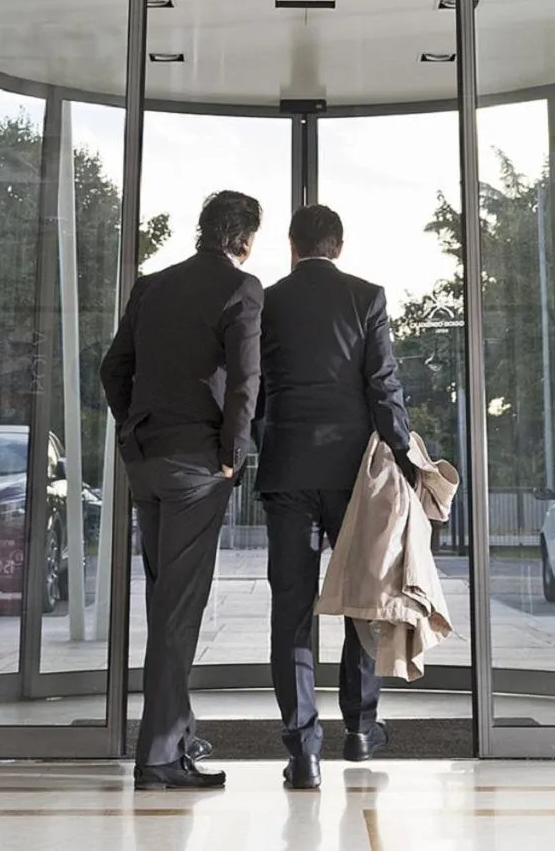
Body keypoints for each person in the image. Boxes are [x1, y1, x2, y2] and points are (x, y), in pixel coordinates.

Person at [100, 190, 264, 791]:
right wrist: (232, 455)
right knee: (179, 611)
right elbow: (245, 381)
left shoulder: (152, 286)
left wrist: (133, 430)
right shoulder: (241, 289)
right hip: (197, 466)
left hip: (146, 461)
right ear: (243, 239)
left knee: (166, 603)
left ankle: (179, 732)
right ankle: (160, 757)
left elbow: (113, 369)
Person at [255, 203, 417, 790]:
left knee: (291, 612)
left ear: (292, 246)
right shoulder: (366, 297)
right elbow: (383, 384)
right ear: (339, 247)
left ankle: (303, 752)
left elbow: (253, 386)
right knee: (362, 601)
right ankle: (360, 728)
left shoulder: (267, 301)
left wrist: (254, 442)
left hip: (286, 472)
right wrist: (403, 453)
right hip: (354, 475)